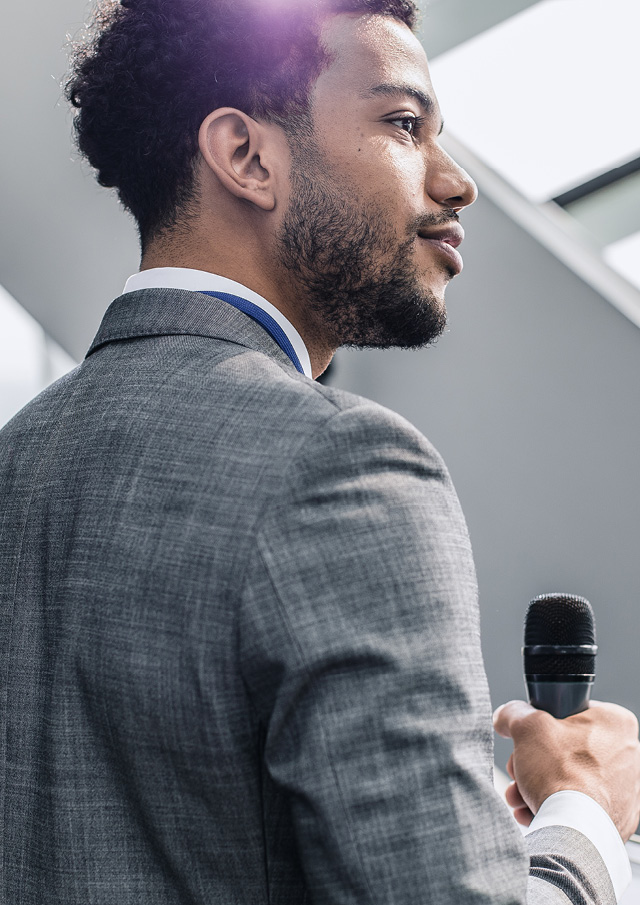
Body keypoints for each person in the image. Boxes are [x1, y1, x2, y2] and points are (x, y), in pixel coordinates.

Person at [0, 0, 638, 902]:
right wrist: (584, 814)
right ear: (247, 156)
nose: (457, 182)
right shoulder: (343, 466)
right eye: (404, 124)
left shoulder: (17, 460)